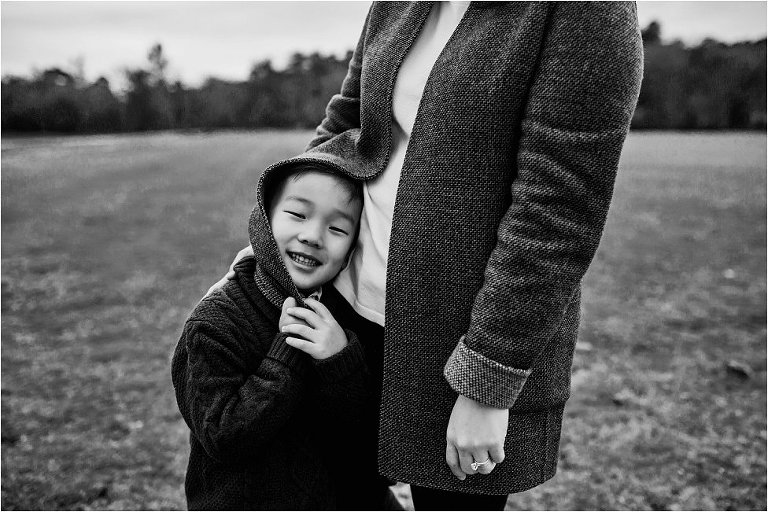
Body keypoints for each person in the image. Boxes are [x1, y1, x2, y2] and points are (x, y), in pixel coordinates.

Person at [212, 2, 644, 510]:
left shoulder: (587, 10)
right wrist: (277, 245)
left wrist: (487, 380)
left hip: (458, 342)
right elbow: (345, 122)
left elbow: (558, 209)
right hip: (343, 316)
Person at [172, 152, 401, 510]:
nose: (312, 236)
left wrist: (340, 362)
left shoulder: (354, 320)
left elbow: (376, 451)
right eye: (297, 214)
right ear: (265, 221)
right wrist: (288, 351)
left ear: (352, 251)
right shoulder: (215, 324)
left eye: (337, 229)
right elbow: (224, 438)